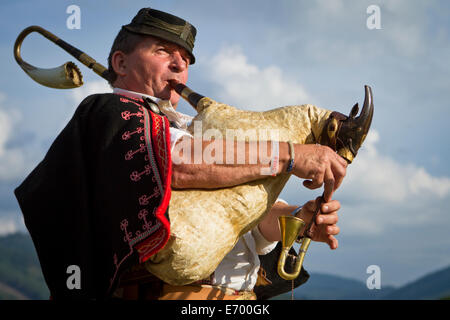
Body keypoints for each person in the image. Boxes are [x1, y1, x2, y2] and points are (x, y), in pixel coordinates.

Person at [14, 8, 345, 300]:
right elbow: (178, 163)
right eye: (163, 51)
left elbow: (251, 229)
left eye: (185, 59)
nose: (179, 64)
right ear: (120, 62)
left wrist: (299, 220)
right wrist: (287, 155)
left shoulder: (196, 132)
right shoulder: (110, 115)